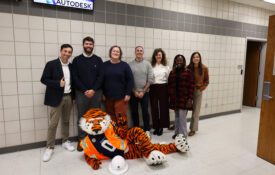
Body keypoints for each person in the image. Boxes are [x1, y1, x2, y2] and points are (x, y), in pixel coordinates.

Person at [41, 44, 75, 162]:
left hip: (69, 97)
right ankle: (50, 147)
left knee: (66, 121)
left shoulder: (71, 66)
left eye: (69, 52)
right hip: (56, 98)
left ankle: (65, 141)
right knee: (53, 123)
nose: (67, 53)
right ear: (61, 51)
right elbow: (43, 79)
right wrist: (57, 83)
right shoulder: (51, 64)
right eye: (65, 51)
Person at [72, 36, 103, 151]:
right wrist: (85, 90)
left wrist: (93, 90)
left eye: (90, 44)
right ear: (83, 45)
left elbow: (101, 77)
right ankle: (81, 140)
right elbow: (75, 77)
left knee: (96, 117)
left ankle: (95, 139)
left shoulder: (98, 60)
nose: (89, 46)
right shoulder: (77, 60)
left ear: (93, 46)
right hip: (81, 93)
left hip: (96, 92)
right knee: (82, 117)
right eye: (87, 44)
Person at [100, 45, 134, 124]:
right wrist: (102, 93)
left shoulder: (125, 65)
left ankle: (122, 134)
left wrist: (128, 94)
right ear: (110, 53)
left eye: (117, 51)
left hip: (121, 97)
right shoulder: (104, 65)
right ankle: (113, 134)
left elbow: (130, 80)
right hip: (108, 97)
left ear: (120, 54)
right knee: (110, 117)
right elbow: (101, 80)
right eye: (114, 51)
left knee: (121, 116)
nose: (115, 52)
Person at [168, 54, 195, 139]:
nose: (179, 61)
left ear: (183, 61)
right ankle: (176, 133)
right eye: (177, 60)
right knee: (176, 117)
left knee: (182, 118)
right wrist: (170, 97)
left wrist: (190, 99)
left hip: (184, 98)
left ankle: (183, 135)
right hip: (175, 99)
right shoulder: (172, 72)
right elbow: (170, 85)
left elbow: (191, 86)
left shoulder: (188, 72)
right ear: (175, 61)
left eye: (181, 60)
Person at [129, 46, 154, 136]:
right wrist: (134, 91)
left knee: (145, 112)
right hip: (133, 93)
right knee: (134, 112)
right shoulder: (130, 64)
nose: (139, 52)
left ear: (143, 52)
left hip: (145, 92)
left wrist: (143, 91)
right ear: (135, 52)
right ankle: (136, 129)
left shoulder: (147, 64)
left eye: (141, 51)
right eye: (137, 50)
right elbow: (128, 80)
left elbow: (150, 79)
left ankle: (147, 129)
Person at [187, 52, 209, 136]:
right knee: (184, 109)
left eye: (197, 57)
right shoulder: (188, 68)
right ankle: (179, 126)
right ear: (192, 59)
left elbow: (207, 81)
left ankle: (193, 129)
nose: (196, 58)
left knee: (196, 111)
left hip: (197, 91)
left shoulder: (204, 68)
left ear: (199, 58)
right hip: (188, 90)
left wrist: (201, 89)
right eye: (194, 57)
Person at [150, 48, 170, 136]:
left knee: (163, 107)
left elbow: (169, 79)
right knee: (154, 107)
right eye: (157, 55)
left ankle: (162, 126)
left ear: (162, 56)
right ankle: (156, 126)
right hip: (153, 87)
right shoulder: (151, 66)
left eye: (160, 55)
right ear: (155, 56)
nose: (158, 56)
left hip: (163, 87)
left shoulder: (166, 67)